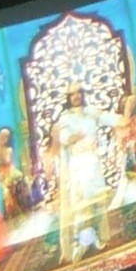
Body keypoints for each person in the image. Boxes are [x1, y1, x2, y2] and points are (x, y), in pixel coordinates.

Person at [50, 85, 114, 260]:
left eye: (78, 93)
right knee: (82, 206)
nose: (76, 96)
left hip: (93, 164)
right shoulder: (66, 118)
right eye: (72, 94)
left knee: (98, 202)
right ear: (68, 98)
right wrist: (73, 137)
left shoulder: (90, 112)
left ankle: (100, 238)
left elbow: (107, 118)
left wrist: (121, 120)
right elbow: (64, 138)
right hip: (78, 166)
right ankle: (84, 242)